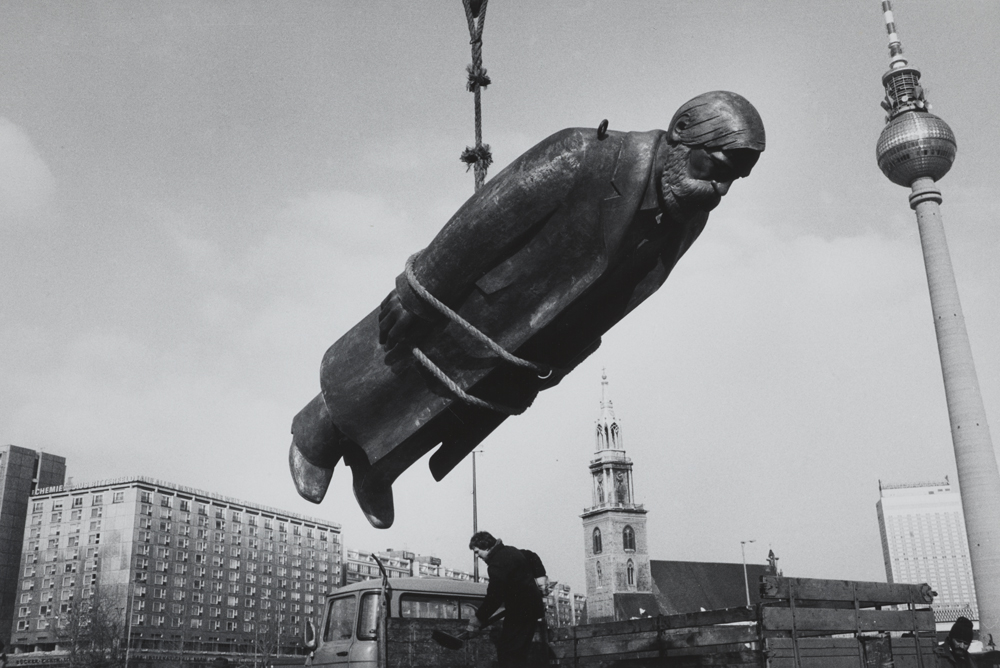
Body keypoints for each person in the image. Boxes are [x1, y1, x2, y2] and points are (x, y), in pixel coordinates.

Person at [290, 91, 766, 528]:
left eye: (734, 179)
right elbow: (482, 220)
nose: (722, 188)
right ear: (682, 132)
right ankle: (316, 438)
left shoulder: (688, 219)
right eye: (717, 167)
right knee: (393, 373)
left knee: (450, 409)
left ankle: (378, 469)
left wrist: (565, 358)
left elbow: (624, 298)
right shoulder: (585, 153)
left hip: (539, 340)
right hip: (485, 300)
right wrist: (421, 289)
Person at [468, 531, 545, 667]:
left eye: (477, 551)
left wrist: (479, 618)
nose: (477, 555)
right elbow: (532, 556)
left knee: (508, 653)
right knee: (518, 653)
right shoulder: (511, 551)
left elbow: (494, 597)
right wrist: (541, 579)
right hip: (531, 611)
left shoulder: (497, 564)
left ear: (486, 546)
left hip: (520, 613)